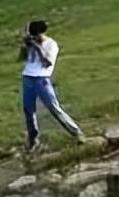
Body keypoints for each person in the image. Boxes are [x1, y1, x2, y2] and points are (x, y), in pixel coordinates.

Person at [19, 19, 83, 151]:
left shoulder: (51, 45)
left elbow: (47, 62)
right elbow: (22, 59)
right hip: (27, 77)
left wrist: (37, 48)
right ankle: (33, 139)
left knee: (53, 108)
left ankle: (76, 132)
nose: (34, 38)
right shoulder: (31, 44)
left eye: (36, 35)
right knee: (28, 110)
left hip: (41, 79)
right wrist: (25, 47)